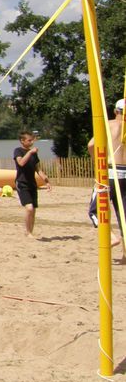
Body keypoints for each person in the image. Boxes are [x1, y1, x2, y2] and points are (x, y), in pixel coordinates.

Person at [87, 100, 126, 263]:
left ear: (116, 111)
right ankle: (125, 255)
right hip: (125, 172)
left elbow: (91, 144)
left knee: (95, 211)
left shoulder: (109, 124)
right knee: (123, 215)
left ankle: (110, 237)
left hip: (109, 171)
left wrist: (96, 161)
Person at [14, 130, 50, 238]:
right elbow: (21, 163)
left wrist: (46, 180)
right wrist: (30, 152)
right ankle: (28, 232)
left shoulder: (34, 154)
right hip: (22, 183)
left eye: (32, 140)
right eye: (29, 140)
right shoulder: (18, 151)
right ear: (22, 141)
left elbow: (38, 169)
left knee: (33, 210)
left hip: (32, 184)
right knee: (29, 208)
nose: (32, 142)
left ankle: (30, 231)